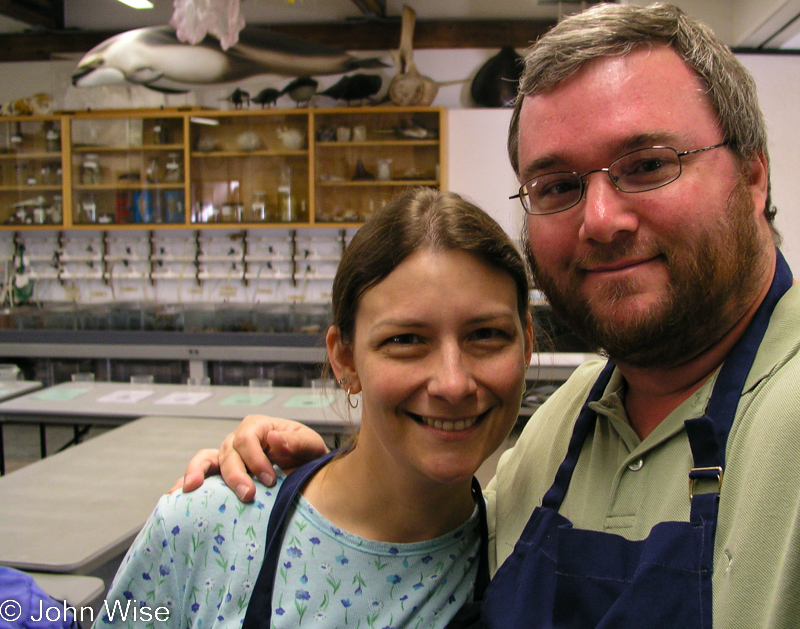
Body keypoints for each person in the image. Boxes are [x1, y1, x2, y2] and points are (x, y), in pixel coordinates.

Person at [183, 4, 800, 628]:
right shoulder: (558, 430)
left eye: (647, 165)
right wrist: (314, 483)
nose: (601, 218)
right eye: (556, 185)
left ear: (752, 176)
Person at [96, 188, 533, 629]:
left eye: (486, 335)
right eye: (405, 340)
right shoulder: (203, 525)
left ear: (528, 343)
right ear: (344, 359)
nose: (453, 383)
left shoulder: (524, 554)